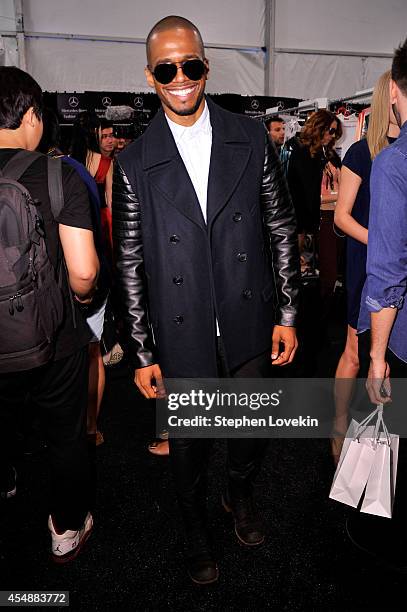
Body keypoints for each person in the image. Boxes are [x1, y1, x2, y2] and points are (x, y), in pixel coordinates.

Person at [112, 15, 299, 585]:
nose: (180, 78)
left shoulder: (250, 138)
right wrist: (143, 352)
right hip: (181, 329)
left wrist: (288, 312)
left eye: (189, 65)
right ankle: (195, 526)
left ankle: (237, 496)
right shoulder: (134, 163)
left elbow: (282, 228)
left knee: (248, 432)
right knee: (189, 447)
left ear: (205, 65)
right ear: (150, 76)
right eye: (166, 69)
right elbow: (129, 263)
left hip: (248, 320)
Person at [0, 67, 99, 562]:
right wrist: (83, 302)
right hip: (52, 335)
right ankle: (64, 528)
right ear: (33, 115)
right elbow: (82, 273)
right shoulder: (58, 174)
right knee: (65, 435)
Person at [345, 38, 407, 572]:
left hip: (400, 320)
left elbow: (388, 274)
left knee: (393, 424)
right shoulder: (368, 154)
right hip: (372, 270)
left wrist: (377, 355)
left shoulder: (395, 163)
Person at [332, 71, 399, 462]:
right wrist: (384, 244)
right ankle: (338, 425)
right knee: (356, 354)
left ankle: (381, 436)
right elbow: (341, 217)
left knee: (390, 355)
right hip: (367, 264)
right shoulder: (361, 152)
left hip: (396, 268)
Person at [38, 108, 111, 447]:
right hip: (83, 278)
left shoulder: (57, 172)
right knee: (92, 352)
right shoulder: (75, 171)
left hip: (42, 290)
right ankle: (90, 427)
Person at [286, 109, 342, 273]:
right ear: (319, 128)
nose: (332, 135)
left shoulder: (329, 154)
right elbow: (305, 195)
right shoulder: (302, 153)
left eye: (335, 132)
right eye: (331, 131)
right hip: (307, 224)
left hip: (327, 221)